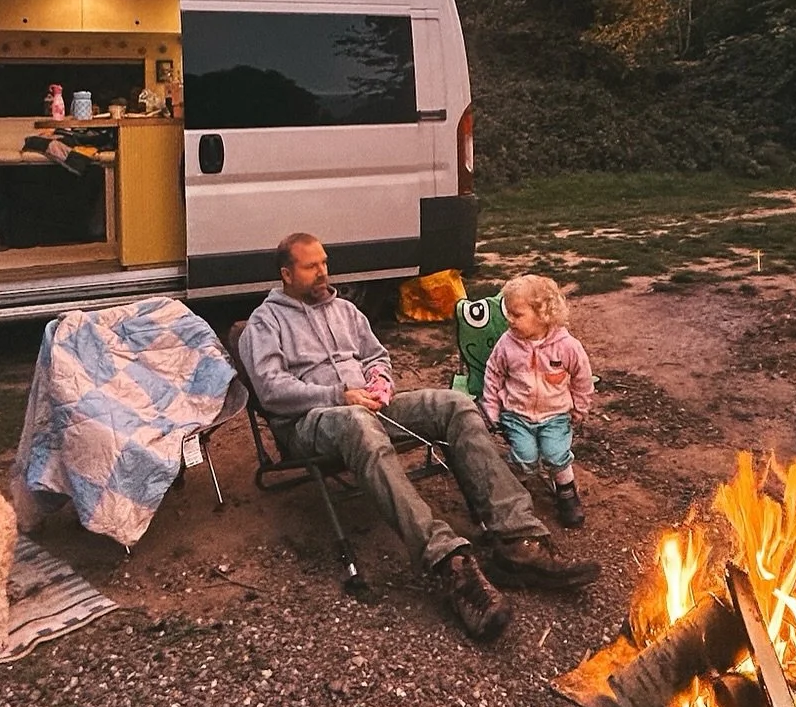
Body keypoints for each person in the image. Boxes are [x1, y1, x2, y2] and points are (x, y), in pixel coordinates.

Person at [237, 233, 599, 641]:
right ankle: (447, 562)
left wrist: (380, 379)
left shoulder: (345, 310)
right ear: (286, 274)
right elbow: (272, 390)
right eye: (311, 266)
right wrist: (339, 395)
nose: (323, 272)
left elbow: (376, 356)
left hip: (369, 405)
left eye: (324, 262)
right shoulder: (265, 323)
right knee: (357, 424)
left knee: (454, 404)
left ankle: (518, 538)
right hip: (312, 422)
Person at [480, 274, 595, 530]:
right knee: (525, 457)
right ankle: (511, 492)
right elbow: (493, 373)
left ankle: (566, 492)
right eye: (508, 313)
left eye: (517, 314)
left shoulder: (567, 346)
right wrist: (491, 407)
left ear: (543, 315)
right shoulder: (507, 344)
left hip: (555, 414)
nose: (510, 320)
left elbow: (582, 377)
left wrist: (580, 406)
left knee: (556, 455)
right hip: (517, 413)